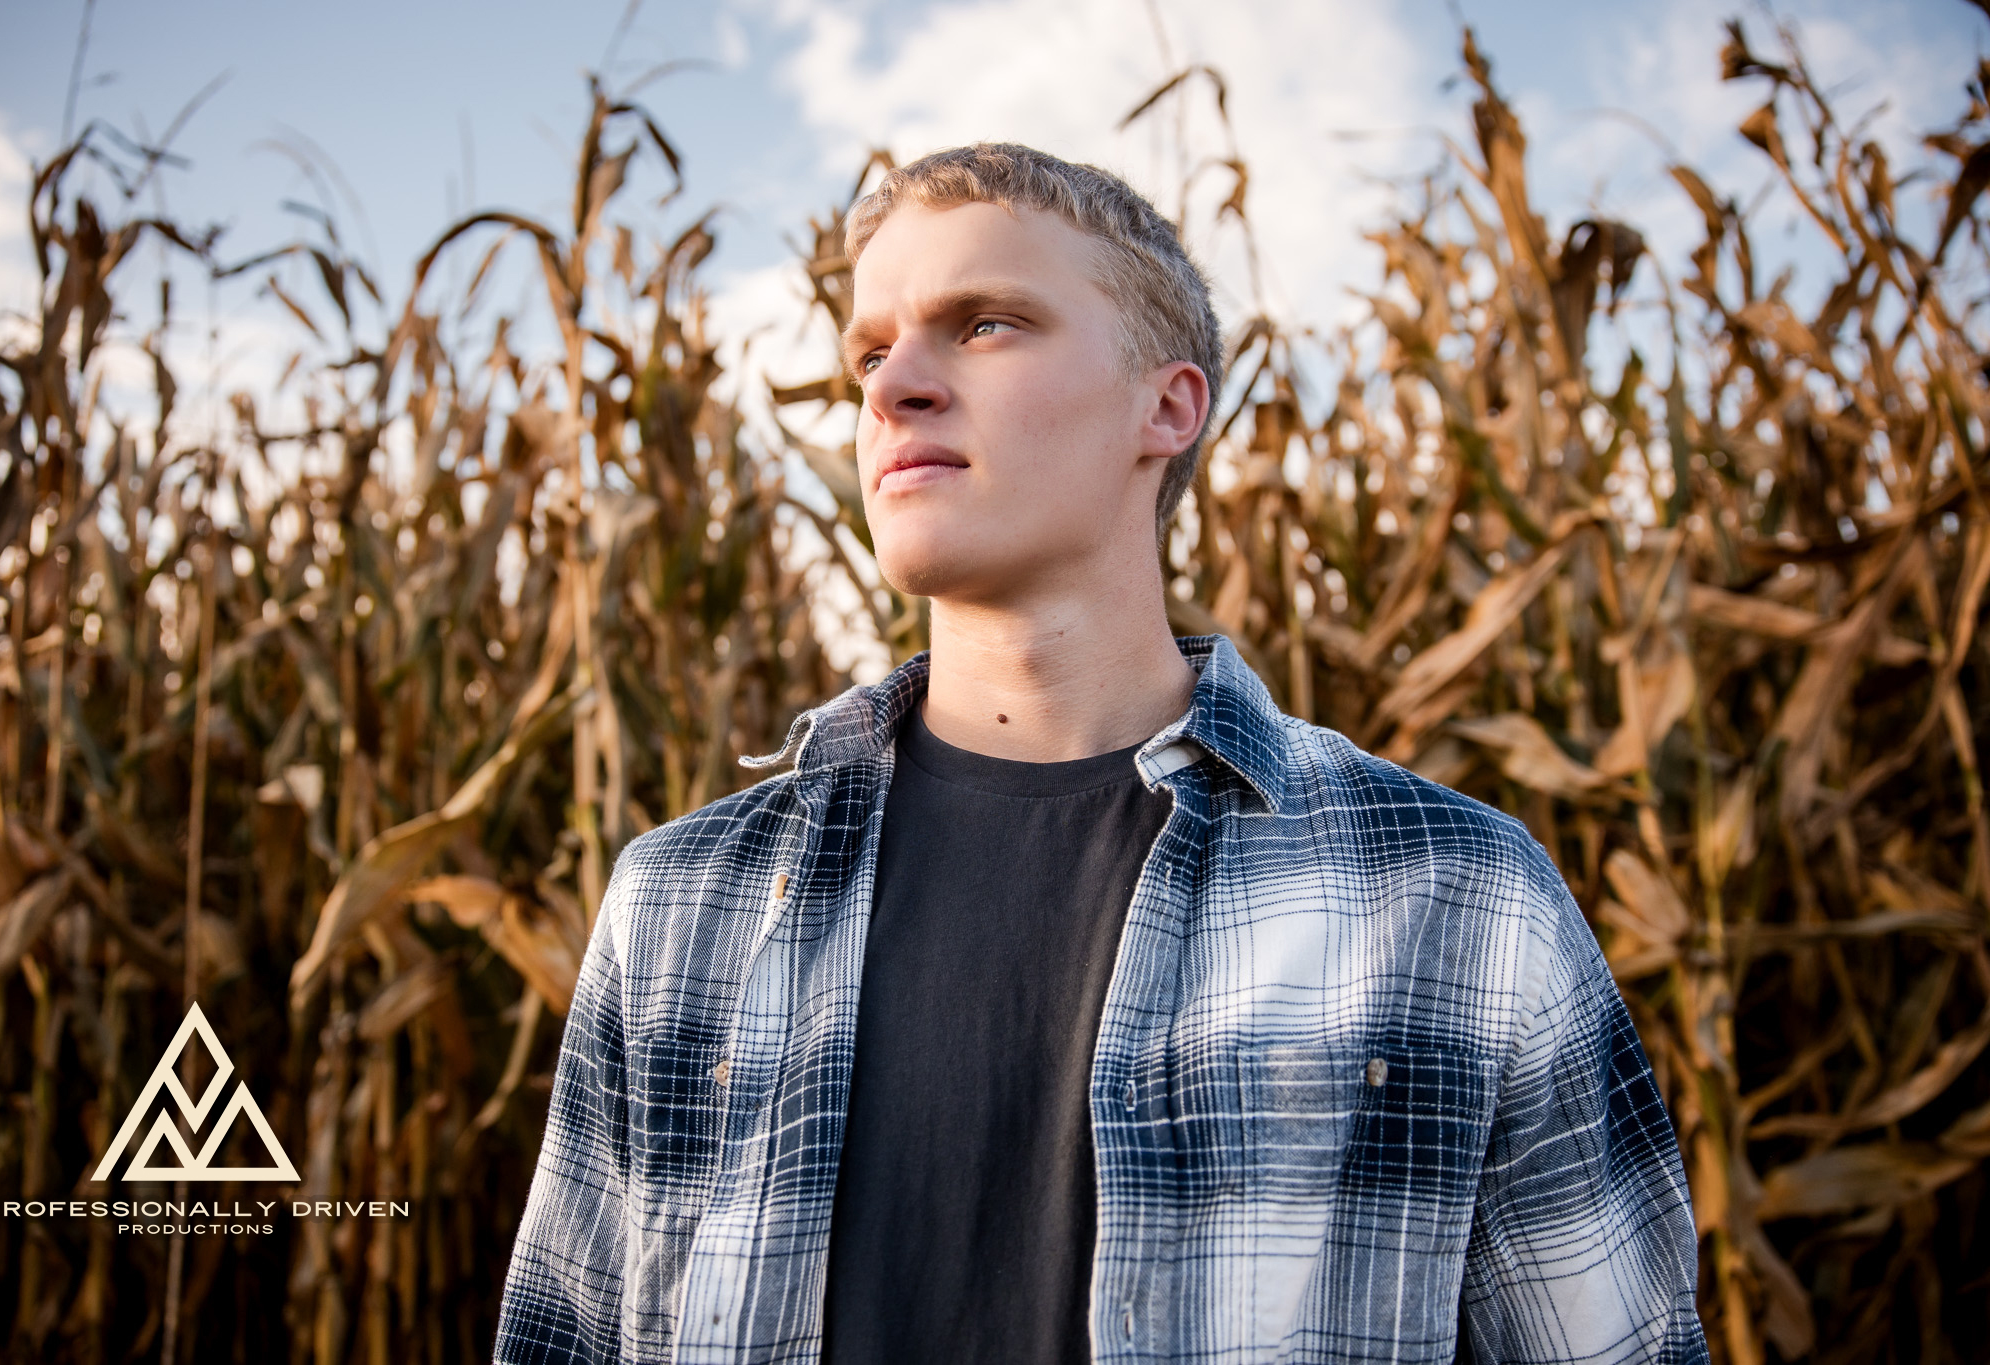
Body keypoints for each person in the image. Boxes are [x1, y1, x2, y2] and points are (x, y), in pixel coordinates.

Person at [493, 143, 1705, 1365]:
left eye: (982, 325)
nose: (889, 387)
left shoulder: (1454, 897)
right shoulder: (680, 904)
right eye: (869, 350)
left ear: (1167, 407)